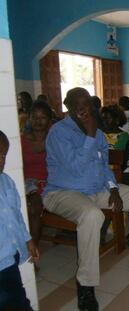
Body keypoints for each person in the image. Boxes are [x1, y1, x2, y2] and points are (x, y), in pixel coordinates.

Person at [43, 88, 129, 311]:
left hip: (96, 189)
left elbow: (102, 165)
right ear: (69, 106)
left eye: (89, 105)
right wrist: (88, 135)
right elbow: (74, 167)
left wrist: (113, 188)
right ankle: (85, 286)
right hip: (63, 192)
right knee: (92, 215)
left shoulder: (96, 132)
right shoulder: (59, 132)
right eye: (80, 105)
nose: (86, 110)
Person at [0, 130, 39, 311]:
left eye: (3, 155)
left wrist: (27, 239)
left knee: (18, 297)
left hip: (10, 256)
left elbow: (16, 216)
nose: (1, 160)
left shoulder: (7, 182)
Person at [21, 101, 53, 246]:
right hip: (25, 182)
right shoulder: (21, 140)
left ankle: (32, 254)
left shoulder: (55, 138)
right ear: (29, 118)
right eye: (34, 117)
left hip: (49, 182)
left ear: (49, 120)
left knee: (34, 206)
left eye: (42, 118)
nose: (38, 121)